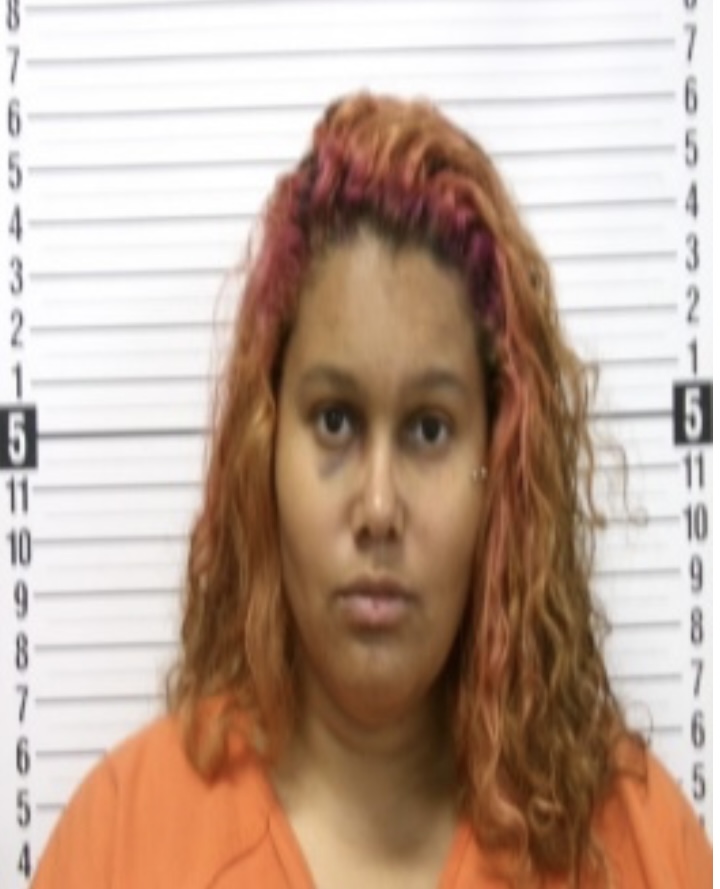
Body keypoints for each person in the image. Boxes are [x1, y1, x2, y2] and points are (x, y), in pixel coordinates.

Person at [32, 92, 710, 889]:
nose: (379, 508)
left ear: (499, 465)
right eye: (334, 420)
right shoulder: (120, 841)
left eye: (429, 429)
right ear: (263, 449)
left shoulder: (641, 843)